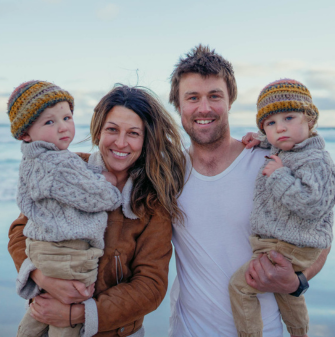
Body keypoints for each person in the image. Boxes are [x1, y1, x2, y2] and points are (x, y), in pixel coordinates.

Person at [168, 45, 331, 337]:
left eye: (215, 96)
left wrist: (297, 282)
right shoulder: (167, 173)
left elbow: (321, 233)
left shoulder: (269, 163)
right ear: (178, 106)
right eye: (192, 97)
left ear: (230, 101)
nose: (204, 108)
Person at [8, 84, 186, 336]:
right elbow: (20, 231)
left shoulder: (152, 202)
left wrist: (78, 313)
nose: (121, 143)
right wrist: (42, 278)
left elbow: (151, 286)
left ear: (146, 139)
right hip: (46, 317)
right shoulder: (68, 168)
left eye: (134, 133)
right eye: (112, 130)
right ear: (99, 130)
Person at [7, 80, 122, 337]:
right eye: (49, 122)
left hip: (41, 251)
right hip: (68, 255)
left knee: (39, 314)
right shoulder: (58, 163)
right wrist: (111, 185)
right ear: (26, 133)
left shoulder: (33, 160)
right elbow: (96, 197)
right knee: (64, 319)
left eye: (67, 117)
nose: (63, 128)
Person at [228, 78, 334, 337]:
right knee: (288, 293)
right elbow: (281, 143)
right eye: (271, 123)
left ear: (309, 119)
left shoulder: (316, 160)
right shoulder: (295, 148)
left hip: (288, 245)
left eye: (289, 118)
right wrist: (260, 139)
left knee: (240, 286)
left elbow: (312, 205)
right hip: (288, 244)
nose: (280, 129)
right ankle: (300, 333)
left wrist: (278, 175)